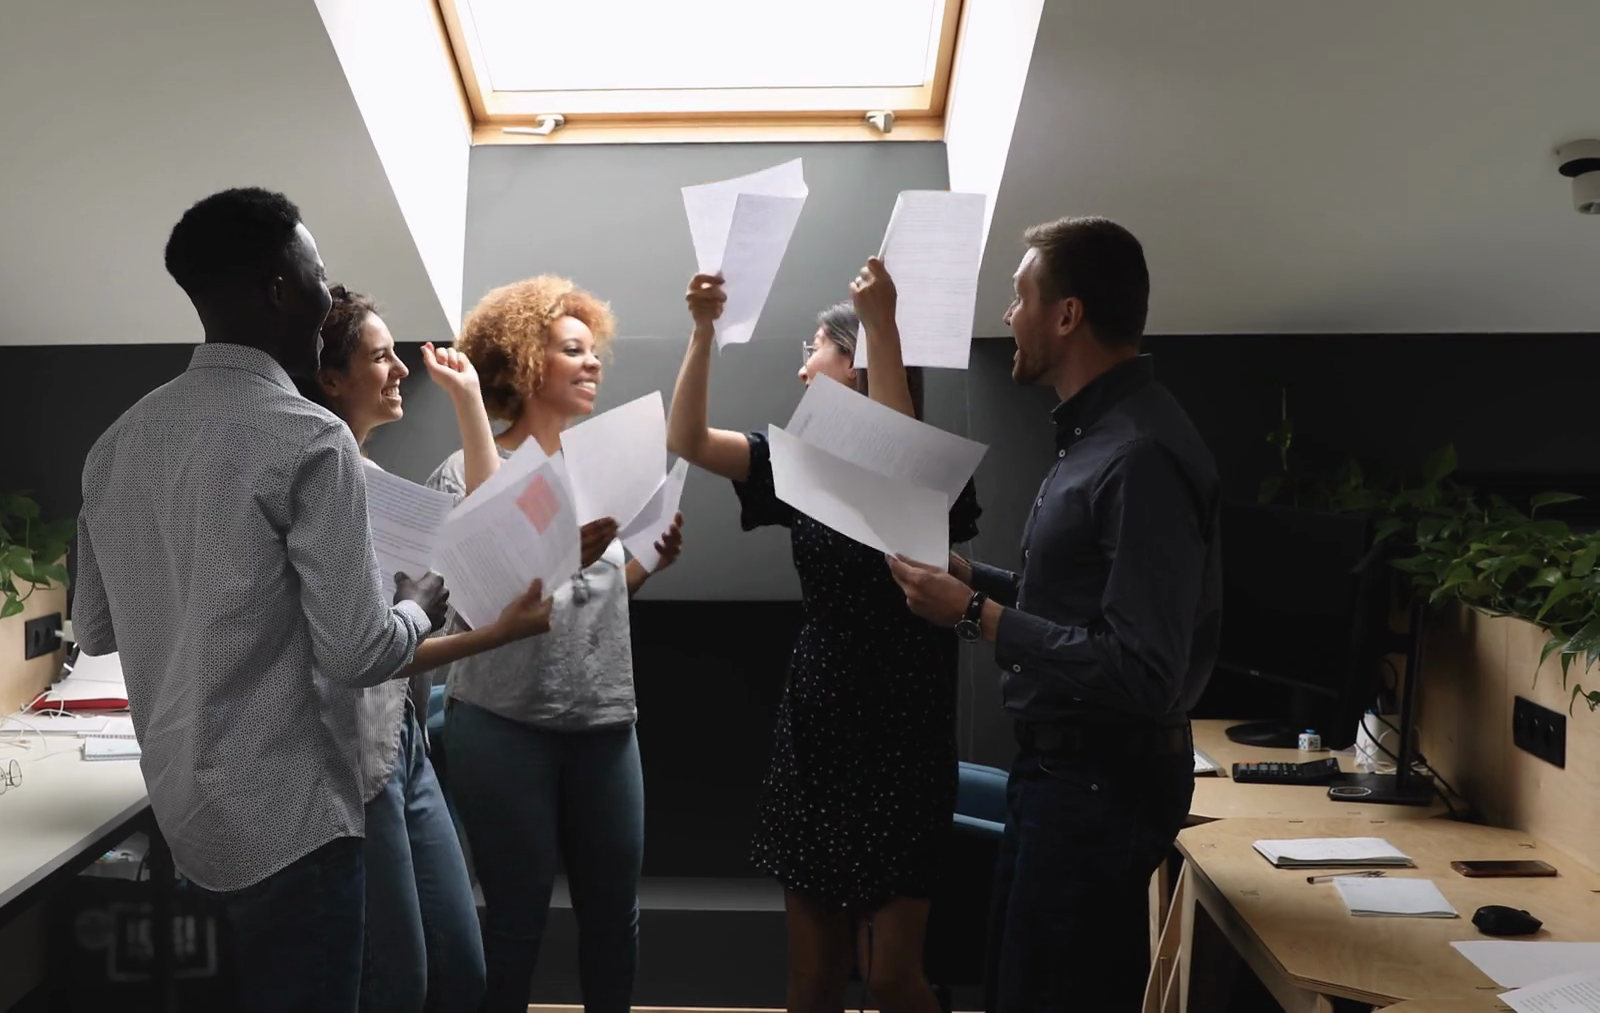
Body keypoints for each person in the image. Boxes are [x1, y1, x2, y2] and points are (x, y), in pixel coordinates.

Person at [70, 187, 451, 1013]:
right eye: (317, 276)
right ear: (281, 288)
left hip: (185, 820)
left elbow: (94, 630)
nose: (326, 297)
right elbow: (359, 651)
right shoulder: (309, 438)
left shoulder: (114, 445)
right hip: (293, 824)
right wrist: (419, 605)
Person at [885, 217, 1221, 1012]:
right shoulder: (1097, 436)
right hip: (1062, 780)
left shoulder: (1138, 453)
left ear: (1067, 315)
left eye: (1019, 296)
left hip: (1099, 789)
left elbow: (1141, 666)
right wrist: (973, 578)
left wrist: (976, 613)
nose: (1008, 314)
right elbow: (1079, 608)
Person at [667, 263, 982, 1013]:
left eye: (815, 349)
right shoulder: (801, 462)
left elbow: (902, 488)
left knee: (891, 975)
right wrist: (703, 330)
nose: (802, 366)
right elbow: (687, 439)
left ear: (855, 360)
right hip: (818, 727)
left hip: (904, 734)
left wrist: (883, 328)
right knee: (813, 977)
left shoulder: (931, 466)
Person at [424, 275, 684, 1013]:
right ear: (525, 363)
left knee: (615, 922)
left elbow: (584, 600)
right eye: (574, 350)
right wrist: (561, 552)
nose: (593, 362)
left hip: (606, 723)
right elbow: (474, 605)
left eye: (592, 349)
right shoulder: (463, 469)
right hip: (502, 725)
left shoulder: (605, 469)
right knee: (515, 924)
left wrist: (644, 565)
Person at [303, 284, 555, 1013]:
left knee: (462, 969)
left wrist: (468, 400)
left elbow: (485, 540)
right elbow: (377, 650)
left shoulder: (377, 483)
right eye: (381, 357)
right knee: (401, 983)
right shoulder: (333, 488)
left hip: (404, 737)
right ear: (332, 380)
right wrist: (499, 632)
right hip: (358, 753)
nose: (399, 369)